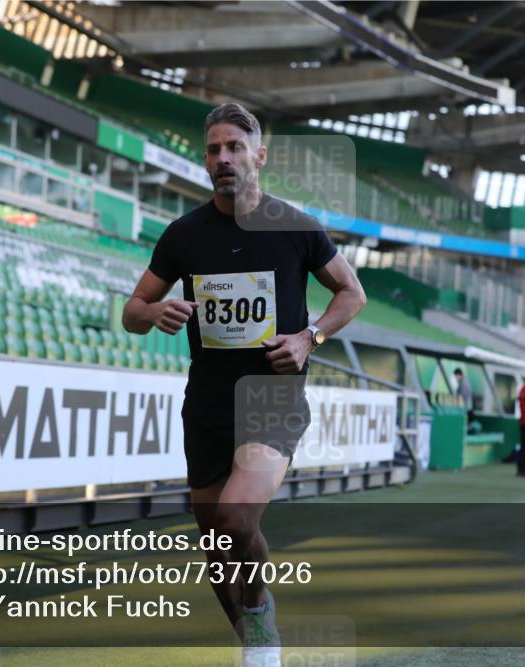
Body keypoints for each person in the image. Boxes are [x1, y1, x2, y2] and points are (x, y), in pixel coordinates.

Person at [122, 103, 366, 667]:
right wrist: (153, 312)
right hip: (207, 401)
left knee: (235, 521)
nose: (223, 158)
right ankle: (254, 639)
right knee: (215, 544)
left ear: (259, 156)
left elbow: (351, 294)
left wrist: (310, 337)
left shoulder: (297, 227)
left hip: (272, 397)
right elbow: (132, 310)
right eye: (213, 149)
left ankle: (259, 618)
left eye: (234, 147)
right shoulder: (184, 234)